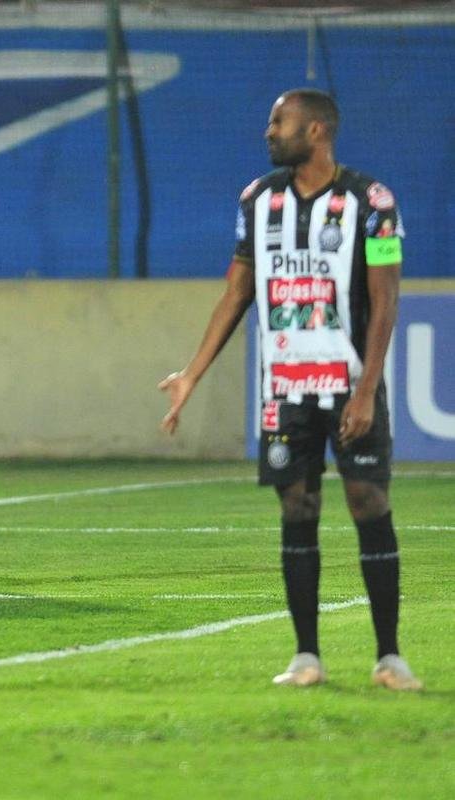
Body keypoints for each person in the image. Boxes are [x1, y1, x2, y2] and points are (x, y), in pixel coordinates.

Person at [159, 88, 422, 691]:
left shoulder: (372, 201)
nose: (268, 131)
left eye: (280, 122)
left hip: (348, 384)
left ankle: (391, 657)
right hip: (284, 388)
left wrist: (366, 389)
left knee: (368, 504)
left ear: (317, 132)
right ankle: (307, 656)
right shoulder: (258, 200)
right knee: (297, 509)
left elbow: (385, 301)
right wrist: (192, 373)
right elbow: (238, 292)